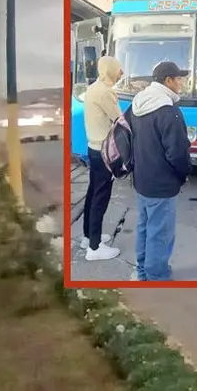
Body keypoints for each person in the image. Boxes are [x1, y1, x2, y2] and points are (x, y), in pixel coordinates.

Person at [130, 61, 192, 281]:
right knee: (160, 234)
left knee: (145, 227)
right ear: (168, 81)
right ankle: (157, 277)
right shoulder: (168, 110)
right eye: (179, 78)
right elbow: (177, 152)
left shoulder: (138, 103)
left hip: (141, 178)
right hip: (162, 183)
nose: (181, 82)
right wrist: (183, 174)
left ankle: (142, 272)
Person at [82, 55, 124, 261]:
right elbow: (120, 120)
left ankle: (88, 236)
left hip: (93, 148)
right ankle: (95, 248)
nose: (121, 73)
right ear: (110, 70)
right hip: (104, 152)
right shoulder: (106, 92)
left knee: (92, 193)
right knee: (101, 197)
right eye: (118, 69)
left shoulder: (93, 87)